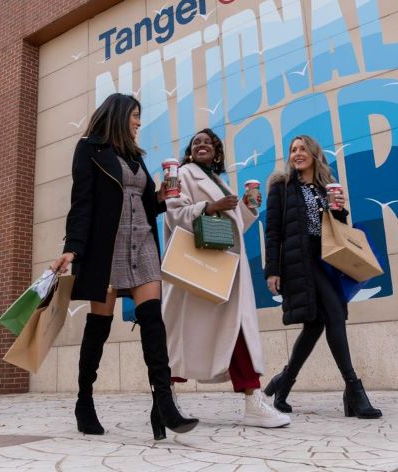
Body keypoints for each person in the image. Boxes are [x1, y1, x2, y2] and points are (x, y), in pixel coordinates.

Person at [52, 93, 198, 440]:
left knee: (152, 321)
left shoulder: (135, 157)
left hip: (143, 243)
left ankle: (163, 403)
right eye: (135, 116)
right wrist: (72, 249)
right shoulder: (88, 149)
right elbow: (82, 203)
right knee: (98, 326)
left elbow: (145, 203)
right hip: (107, 247)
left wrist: (162, 197)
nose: (138, 123)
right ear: (118, 115)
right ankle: (84, 400)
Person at [162, 129, 290, 428]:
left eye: (209, 143)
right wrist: (210, 206)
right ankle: (163, 399)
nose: (202, 145)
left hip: (224, 269)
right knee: (184, 340)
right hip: (200, 271)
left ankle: (253, 401)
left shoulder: (219, 181)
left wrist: (247, 207)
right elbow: (173, 215)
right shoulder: (181, 175)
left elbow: (227, 230)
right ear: (190, 152)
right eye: (196, 143)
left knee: (236, 333)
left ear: (217, 152)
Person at [262, 135, 382, 419]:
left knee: (316, 325)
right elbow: (273, 232)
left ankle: (284, 382)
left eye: (303, 149)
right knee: (336, 315)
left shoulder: (324, 186)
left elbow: (337, 228)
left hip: (326, 259)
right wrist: (272, 271)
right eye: (293, 150)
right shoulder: (281, 187)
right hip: (299, 261)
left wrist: (338, 209)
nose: (297, 154)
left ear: (314, 154)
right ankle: (354, 388)